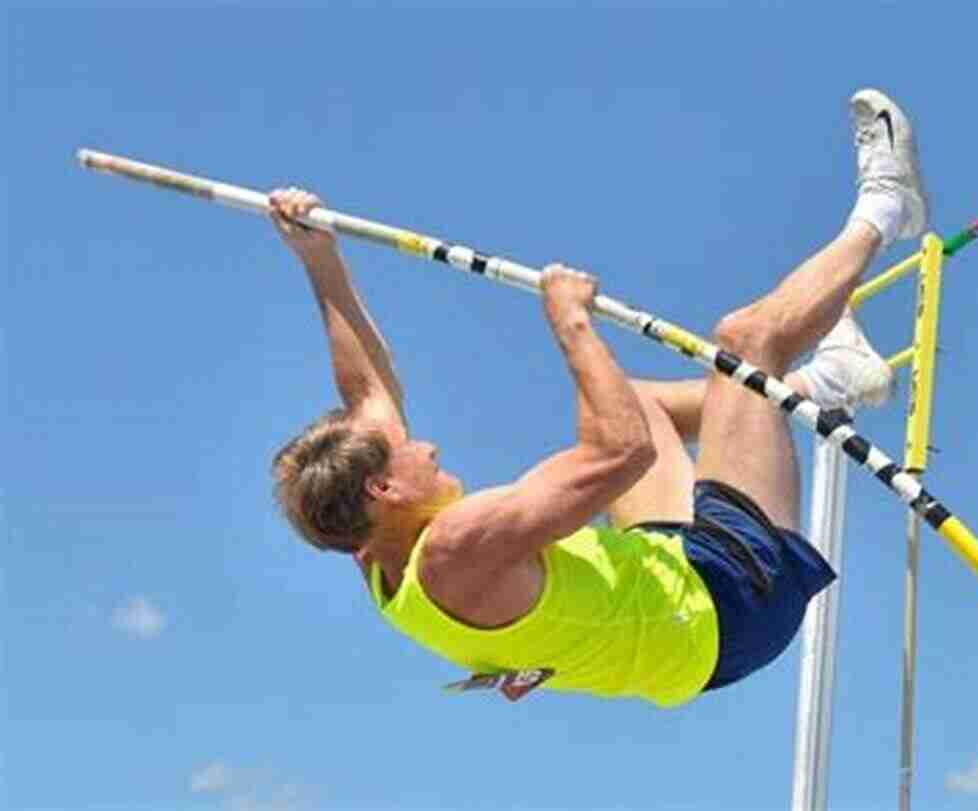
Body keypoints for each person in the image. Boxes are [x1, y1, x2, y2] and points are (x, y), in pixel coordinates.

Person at [270, 88, 928, 708]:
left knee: (643, 400)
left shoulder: (375, 557)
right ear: (382, 489)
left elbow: (365, 393)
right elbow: (623, 453)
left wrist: (318, 259)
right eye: (408, 453)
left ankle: (828, 382)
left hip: (665, 579)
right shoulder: (455, 545)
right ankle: (887, 207)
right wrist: (571, 322)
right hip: (727, 608)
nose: (428, 445)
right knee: (744, 343)